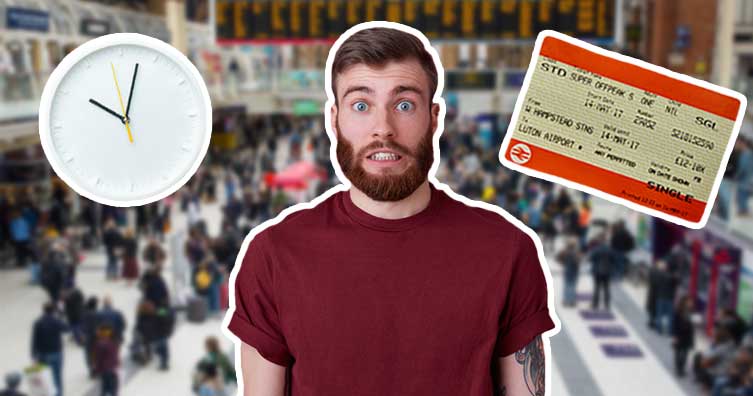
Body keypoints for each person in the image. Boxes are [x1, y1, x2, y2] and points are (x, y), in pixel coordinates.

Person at [226, 25, 557, 395]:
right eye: (361, 105)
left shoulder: (507, 250)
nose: (383, 128)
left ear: (434, 117)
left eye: (404, 105)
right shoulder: (274, 254)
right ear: (334, 119)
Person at [31, 302, 68, 396]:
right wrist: (61, 315)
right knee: (57, 376)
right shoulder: (56, 321)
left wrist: (33, 355)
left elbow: (34, 340)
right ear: (53, 310)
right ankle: (58, 394)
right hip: (56, 352)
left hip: (42, 354)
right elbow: (66, 329)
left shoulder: (38, 322)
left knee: (44, 377)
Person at [589, 233, 615, 311]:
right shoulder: (610, 249)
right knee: (606, 288)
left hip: (597, 271)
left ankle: (595, 304)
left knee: (597, 288)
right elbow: (613, 259)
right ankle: (607, 304)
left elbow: (591, 258)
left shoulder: (596, 249)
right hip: (607, 271)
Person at [93, 323, 121, 396]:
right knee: (112, 391)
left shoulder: (100, 344)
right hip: (112, 369)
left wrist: (96, 370)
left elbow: (98, 359)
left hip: (105, 370)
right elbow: (115, 354)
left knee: (105, 389)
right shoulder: (114, 341)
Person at [671, 296, 695, 377]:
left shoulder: (691, 312)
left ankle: (681, 368)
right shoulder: (678, 312)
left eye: (691, 302)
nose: (691, 303)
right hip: (679, 335)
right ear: (684, 302)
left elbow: (692, 324)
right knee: (678, 353)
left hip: (688, 336)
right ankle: (678, 368)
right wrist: (674, 336)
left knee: (685, 353)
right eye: (689, 302)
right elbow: (674, 324)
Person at [556, 237, 582, 307]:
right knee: (572, 286)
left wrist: (563, 263)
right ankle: (571, 301)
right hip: (574, 271)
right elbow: (577, 261)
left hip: (567, 270)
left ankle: (566, 300)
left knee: (567, 286)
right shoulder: (576, 252)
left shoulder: (565, 251)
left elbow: (558, 258)